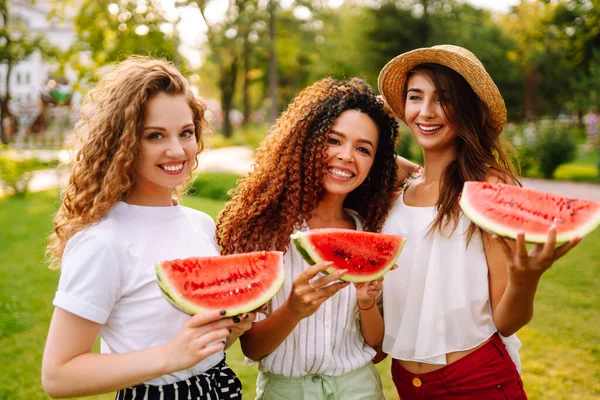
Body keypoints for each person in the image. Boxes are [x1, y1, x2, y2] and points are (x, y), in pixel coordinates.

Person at [41, 57, 254, 400]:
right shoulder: (102, 241)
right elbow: (58, 376)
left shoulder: (201, 225)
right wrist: (170, 356)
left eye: (185, 133)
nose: (176, 150)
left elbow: (196, 350)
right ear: (123, 143)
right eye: (155, 136)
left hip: (218, 388)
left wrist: (231, 329)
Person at [377, 45, 581, 399]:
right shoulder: (398, 193)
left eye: (442, 99)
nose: (425, 112)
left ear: (467, 108)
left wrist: (525, 280)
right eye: (415, 97)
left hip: (476, 379)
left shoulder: (488, 188)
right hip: (406, 382)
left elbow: (507, 321)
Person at [216, 77, 414, 399]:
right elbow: (252, 348)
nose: (347, 156)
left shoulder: (370, 232)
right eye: (334, 140)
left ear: (375, 164)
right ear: (306, 143)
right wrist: (292, 309)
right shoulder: (264, 233)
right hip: (285, 391)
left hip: (360, 389)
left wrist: (366, 305)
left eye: (363, 149)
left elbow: (376, 350)